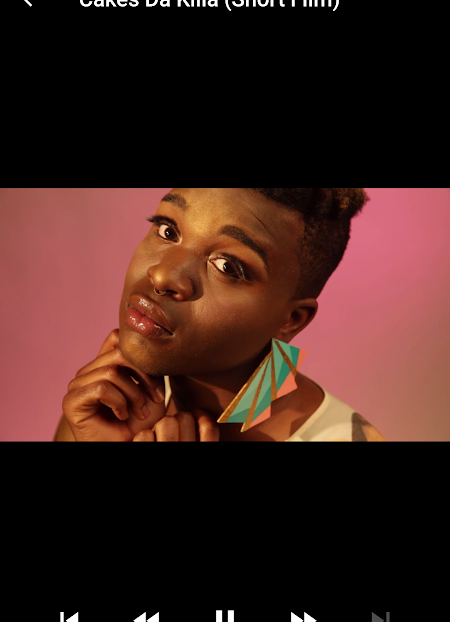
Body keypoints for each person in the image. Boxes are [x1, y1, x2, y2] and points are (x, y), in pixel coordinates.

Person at [54, 188, 386, 442]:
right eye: (168, 230)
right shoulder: (108, 406)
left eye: (228, 266)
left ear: (292, 319)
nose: (162, 275)